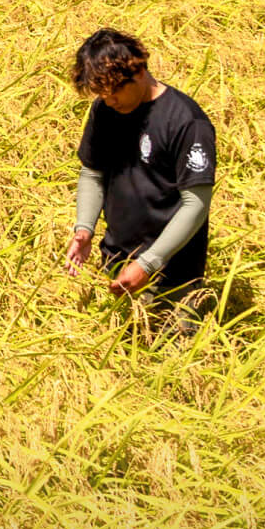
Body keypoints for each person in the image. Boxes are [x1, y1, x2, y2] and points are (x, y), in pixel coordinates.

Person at [64, 28, 218, 336]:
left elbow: (196, 204)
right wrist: (84, 228)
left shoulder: (187, 122)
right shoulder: (106, 110)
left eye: (113, 93)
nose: (108, 102)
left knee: (173, 369)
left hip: (172, 274)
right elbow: (93, 172)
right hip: (117, 263)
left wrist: (148, 264)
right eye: (101, 96)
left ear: (138, 71)